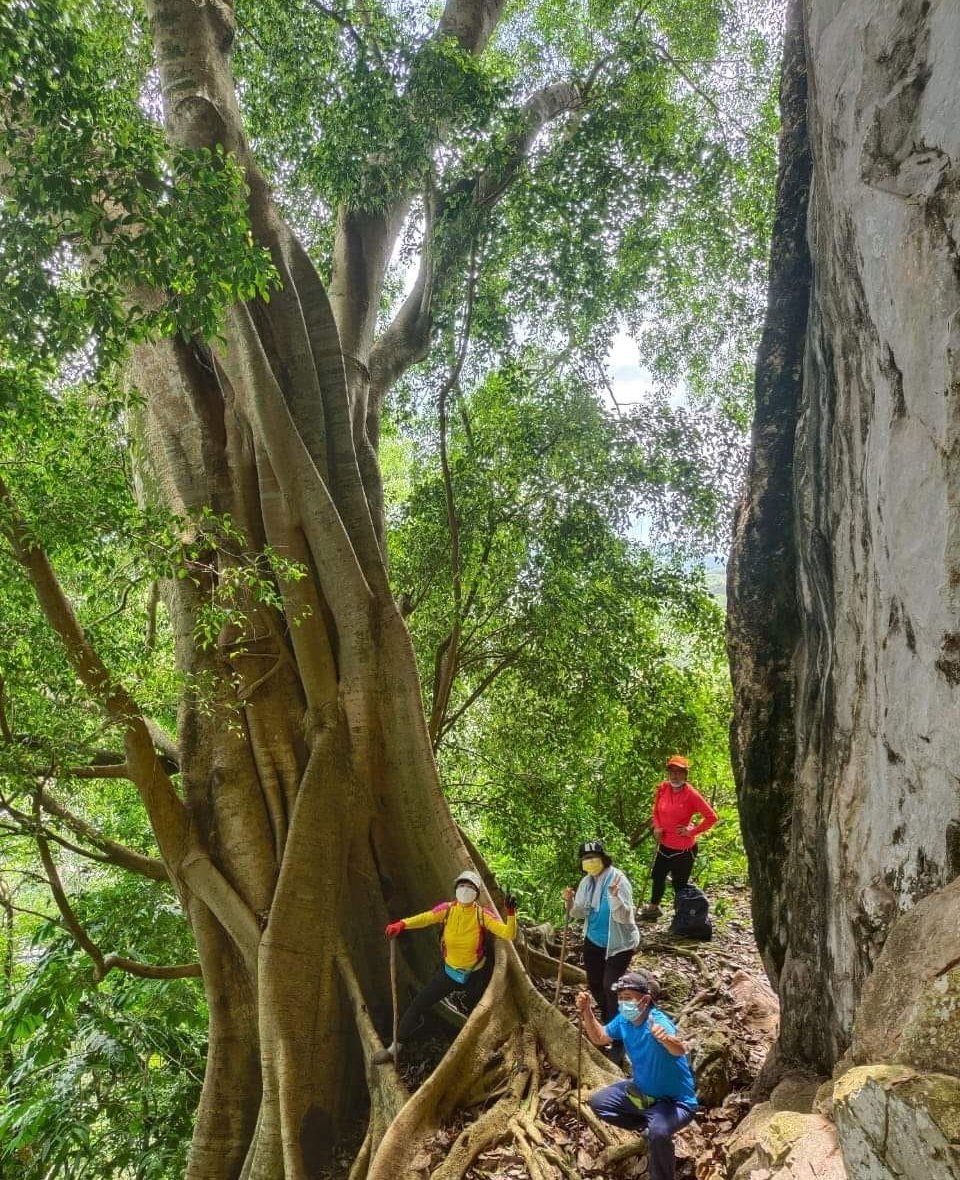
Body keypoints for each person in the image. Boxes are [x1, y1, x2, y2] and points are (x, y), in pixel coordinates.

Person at [374, 870, 516, 1064]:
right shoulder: (447, 910)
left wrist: (510, 913)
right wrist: (402, 924)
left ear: (477, 892)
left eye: (470, 887)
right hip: (449, 972)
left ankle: (488, 1050)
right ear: (455, 888)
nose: (465, 890)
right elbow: (426, 917)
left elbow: (508, 934)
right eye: (462, 885)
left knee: (480, 1012)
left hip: (476, 975)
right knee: (419, 1003)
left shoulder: (482, 915)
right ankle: (395, 1048)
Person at [576, 970, 697, 1180]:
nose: (623, 1004)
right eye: (620, 999)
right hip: (643, 1093)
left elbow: (679, 1049)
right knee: (599, 1102)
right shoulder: (623, 1020)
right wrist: (587, 1011)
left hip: (676, 1103)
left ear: (645, 1000)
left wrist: (666, 1039)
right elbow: (600, 1037)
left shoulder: (657, 1021)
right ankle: (647, 1125)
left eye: (628, 998)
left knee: (659, 1132)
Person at [563, 839, 639, 1025]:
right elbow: (579, 912)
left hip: (619, 943)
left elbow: (624, 917)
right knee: (595, 983)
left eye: (594, 857)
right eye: (586, 858)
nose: (590, 861)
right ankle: (611, 1017)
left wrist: (614, 897)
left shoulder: (618, 879)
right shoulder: (586, 882)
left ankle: (618, 1036)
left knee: (611, 986)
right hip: (593, 939)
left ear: (603, 858)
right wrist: (570, 902)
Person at [640, 756, 718, 921]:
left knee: (679, 883)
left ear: (685, 774)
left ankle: (682, 915)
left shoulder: (692, 794)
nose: (675, 775)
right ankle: (653, 909)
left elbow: (711, 817)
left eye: (679, 772)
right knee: (658, 877)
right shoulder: (662, 788)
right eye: (672, 771)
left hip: (684, 849)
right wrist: (657, 827)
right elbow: (656, 812)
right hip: (664, 844)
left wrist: (692, 831)